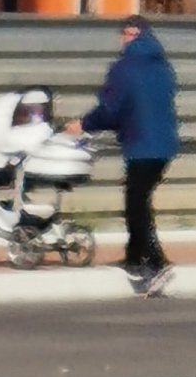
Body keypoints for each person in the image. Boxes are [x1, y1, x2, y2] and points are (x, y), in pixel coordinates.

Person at [68, 17, 181, 297]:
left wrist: (84, 124)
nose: (125, 39)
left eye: (128, 34)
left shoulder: (124, 68)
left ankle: (155, 262)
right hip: (164, 145)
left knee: (136, 206)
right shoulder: (163, 67)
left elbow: (111, 109)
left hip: (141, 145)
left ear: (134, 35)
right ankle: (134, 257)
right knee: (139, 201)